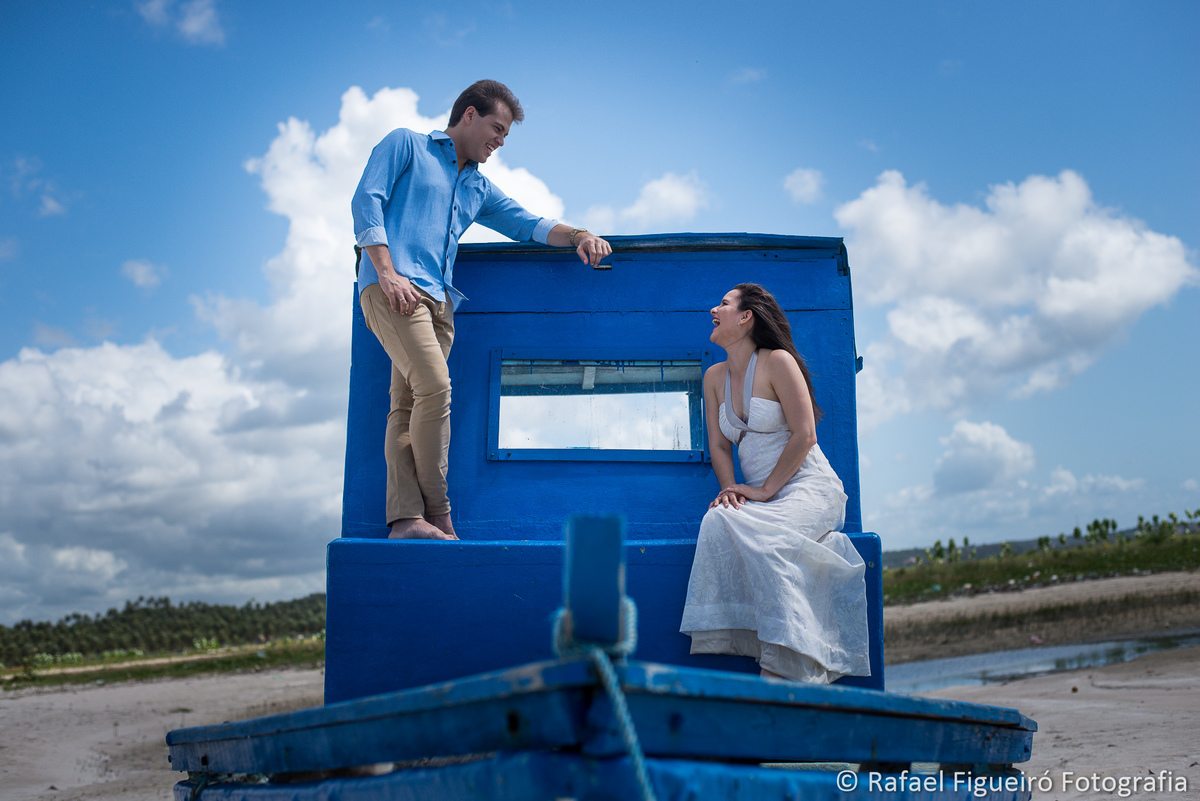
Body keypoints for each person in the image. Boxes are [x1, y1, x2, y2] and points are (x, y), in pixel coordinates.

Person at [351, 79, 611, 541]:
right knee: (436, 388)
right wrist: (386, 272)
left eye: (507, 135)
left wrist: (579, 235)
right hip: (394, 289)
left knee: (407, 405)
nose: (501, 140)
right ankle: (440, 510)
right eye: (497, 128)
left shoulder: (478, 187)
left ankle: (405, 520)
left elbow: (528, 224)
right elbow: (366, 200)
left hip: (440, 303)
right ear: (468, 115)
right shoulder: (407, 144)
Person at [679, 283, 870, 683]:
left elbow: (805, 435)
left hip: (808, 486)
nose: (713, 310)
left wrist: (764, 491)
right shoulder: (714, 377)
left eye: (724, 304)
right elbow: (718, 444)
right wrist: (730, 488)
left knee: (769, 541)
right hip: (767, 500)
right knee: (716, 521)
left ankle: (783, 666)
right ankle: (776, 647)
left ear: (746, 317)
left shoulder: (778, 361)